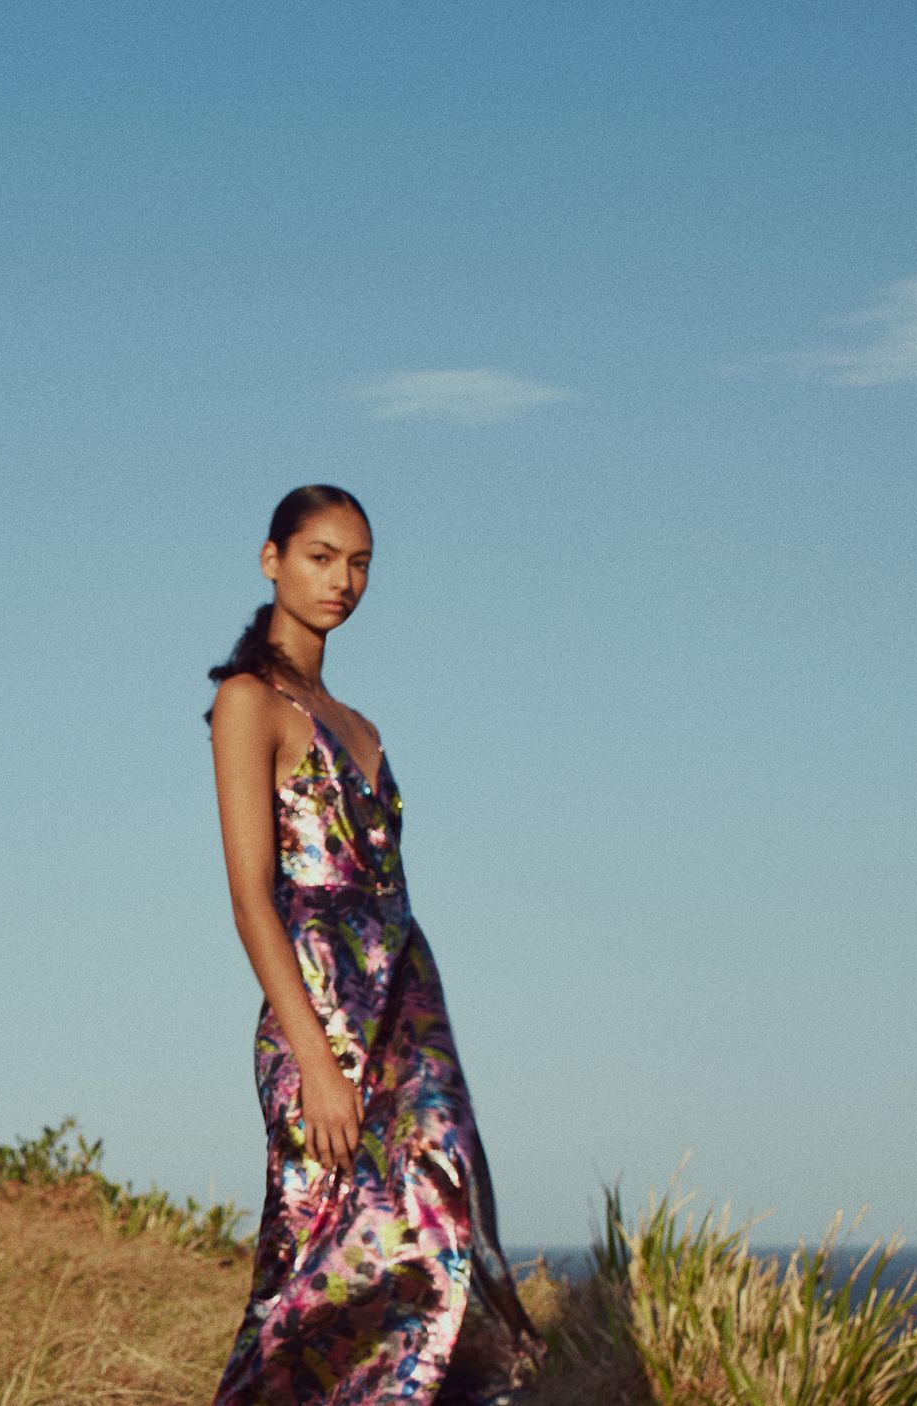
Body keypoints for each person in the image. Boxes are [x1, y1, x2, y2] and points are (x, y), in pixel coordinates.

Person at [205, 486, 541, 1403]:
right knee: (315, 1274)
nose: (341, 580)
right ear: (272, 560)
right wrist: (313, 1055)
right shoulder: (248, 701)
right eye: (320, 556)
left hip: (407, 1009)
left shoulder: (363, 727)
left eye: (359, 563)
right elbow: (250, 896)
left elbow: (388, 894)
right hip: (318, 1013)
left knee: (443, 1230)